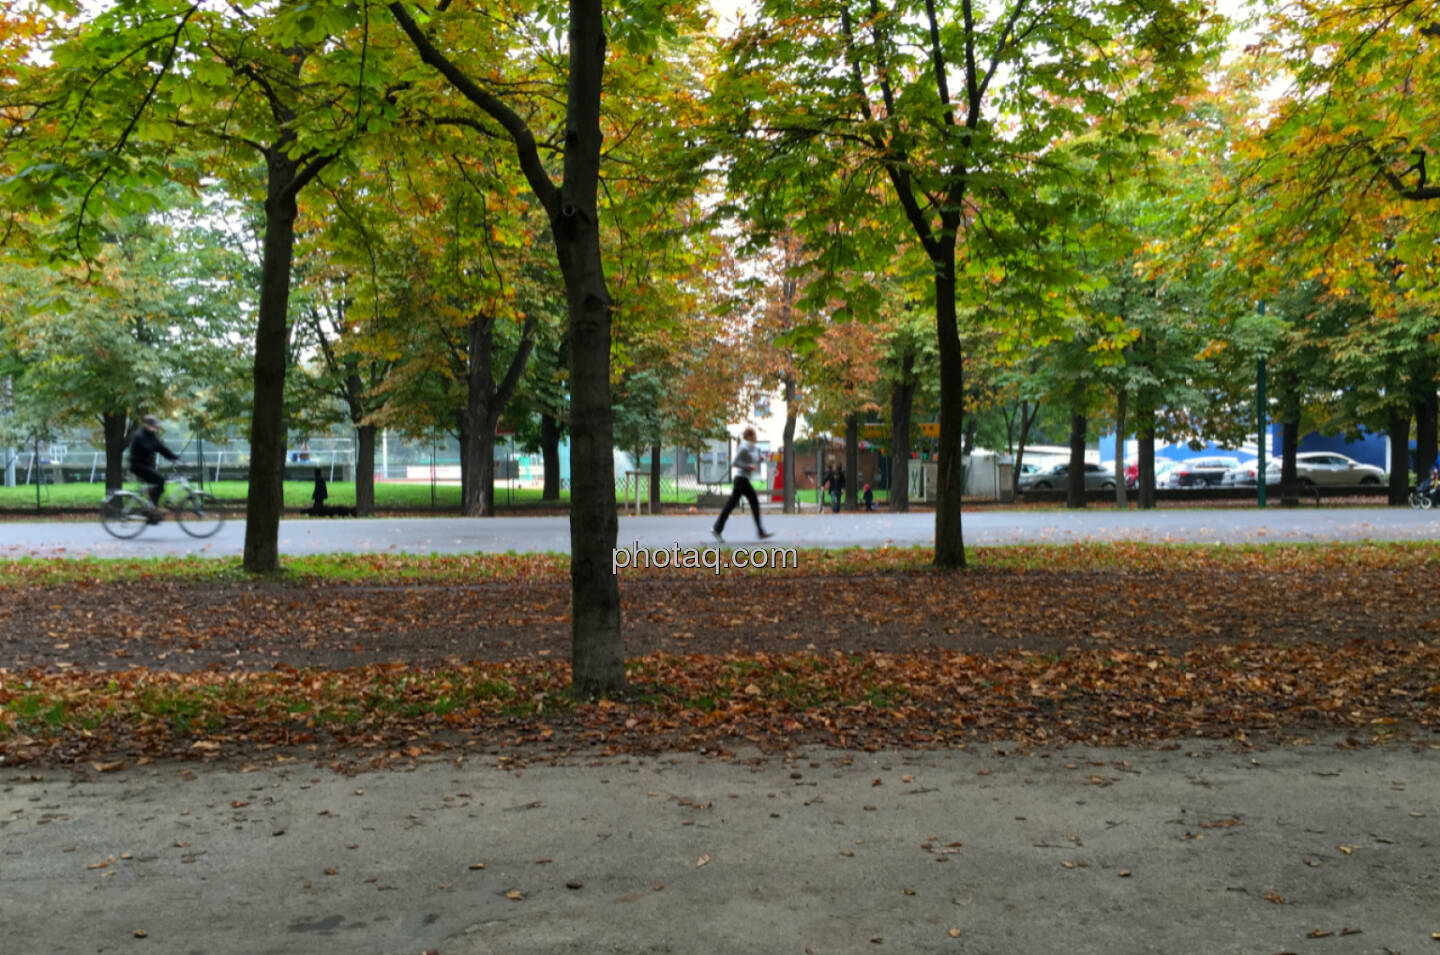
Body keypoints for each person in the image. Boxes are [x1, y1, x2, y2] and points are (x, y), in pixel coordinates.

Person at [713, 427, 773, 542]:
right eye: (754, 435)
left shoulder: (750, 448)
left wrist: (759, 459)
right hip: (741, 480)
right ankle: (760, 531)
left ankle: (717, 528)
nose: (756, 437)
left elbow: (751, 459)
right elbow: (734, 462)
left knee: (730, 505)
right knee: (754, 502)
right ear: (749, 437)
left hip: (741, 480)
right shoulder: (744, 447)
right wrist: (748, 466)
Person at [127, 414, 179, 523]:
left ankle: (150, 511)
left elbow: (162, 449)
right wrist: (157, 447)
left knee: (159, 483)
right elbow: (151, 447)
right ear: (146, 425)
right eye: (153, 426)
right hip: (137, 465)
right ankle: (153, 508)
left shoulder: (151, 436)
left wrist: (176, 458)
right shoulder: (139, 435)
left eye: (156, 426)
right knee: (160, 479)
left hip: (146, 466)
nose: (156, 428)